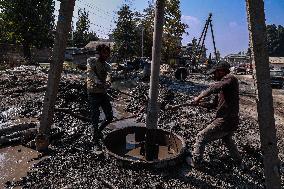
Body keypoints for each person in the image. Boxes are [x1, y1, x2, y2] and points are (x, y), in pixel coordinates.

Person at [189, 61, 243, 167]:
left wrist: (198, 97)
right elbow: (213, 104)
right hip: (231, 121)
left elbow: (213, 88)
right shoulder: (224, 87)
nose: (213, 75)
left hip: (225, 120)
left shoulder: (230, 78)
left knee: (201, 137)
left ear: (221, 71)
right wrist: (199, 104)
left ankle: (196, 162)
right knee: (227, 139)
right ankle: (238, 161)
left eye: (215, 73)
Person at [86, 44, 113, 147]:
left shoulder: (107, 65)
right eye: (104, 52)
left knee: (110, 117)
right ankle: (95, 139)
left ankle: (98, 131)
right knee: (95, 117)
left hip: (102, 93)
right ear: (99, 52)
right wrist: (99, 82)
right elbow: (90, 74)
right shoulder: (91, 61)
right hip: (93, 93)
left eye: (108, 53)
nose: (107, 55)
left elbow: (109, 76)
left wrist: (108, 83)